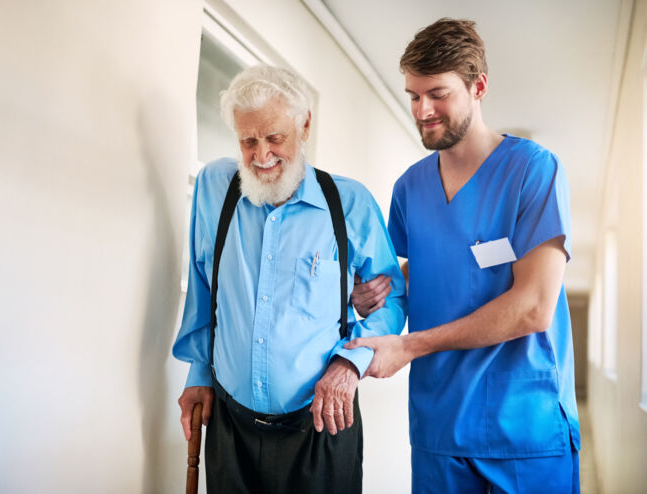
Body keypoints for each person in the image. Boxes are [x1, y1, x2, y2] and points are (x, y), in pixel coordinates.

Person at [347, 18, 580, 493]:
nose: (423, 110)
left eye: (438, 93)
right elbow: (431, 266)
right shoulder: (410, 188)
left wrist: (409, 346)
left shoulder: (532, 171)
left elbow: (535, 307)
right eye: (413, 96)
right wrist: (374, 291)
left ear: (479, 87)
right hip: (439, 426)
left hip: (524, 428)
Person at [172, 64, 406, 494]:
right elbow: (204, 290)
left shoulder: (349, 203)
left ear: (305, 125)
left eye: (274, 138)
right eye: (248, 141)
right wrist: (198, 373)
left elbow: (391, 301)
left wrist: (350, 363)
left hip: (321, 425)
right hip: (231, 425)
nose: (261, 156)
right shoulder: (214, 188)